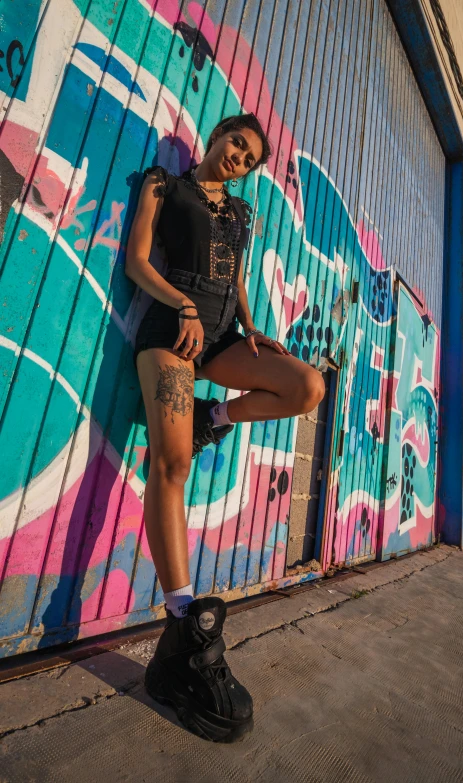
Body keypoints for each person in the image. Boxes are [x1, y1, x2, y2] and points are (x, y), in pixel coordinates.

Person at [126, 113, 325, 742]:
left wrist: (251, 323)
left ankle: (218, 416)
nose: (240, 155)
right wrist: (181, 303)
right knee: (173, 465)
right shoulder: (165, 184)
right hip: (171, 335)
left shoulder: (240, 215)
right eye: (237, 142)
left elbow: (234, 275)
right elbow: (136, 261)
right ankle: (183, 617)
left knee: (306, 385)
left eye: (251, 156)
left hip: (221, 336)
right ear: (217, 137)